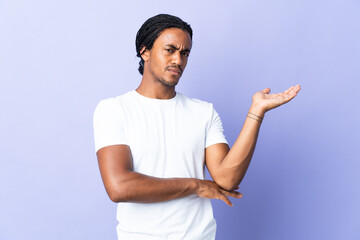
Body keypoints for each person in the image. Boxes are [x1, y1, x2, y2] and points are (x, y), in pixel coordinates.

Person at [93, 13, 301, 240]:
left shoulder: (203, 112)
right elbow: (119, 187)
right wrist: (194, 185)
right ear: (145, 52)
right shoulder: (114, 110)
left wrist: (256, 112)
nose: (178, 60)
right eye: (169, 50)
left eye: (185, 53)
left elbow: (227, 179)